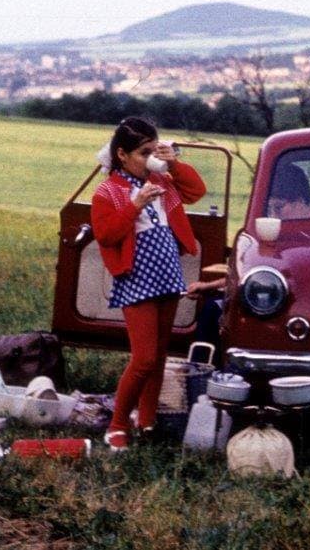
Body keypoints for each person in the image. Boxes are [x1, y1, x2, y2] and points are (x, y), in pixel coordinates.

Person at [90, 116, 206, 451]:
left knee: (157, 356)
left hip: (167, 274)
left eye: (153, 151)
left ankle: (148, 421)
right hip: (137, 278)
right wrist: (134, 205)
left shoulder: (162, 179)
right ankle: (116, 425)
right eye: (144, 153)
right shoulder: (108, 191)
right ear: (122, 155)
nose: (149, 159)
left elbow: (196, 192)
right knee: (142, 358)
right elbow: (107, 235)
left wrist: (174, 161)